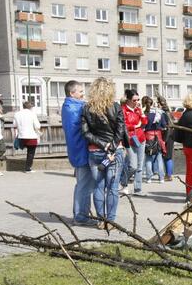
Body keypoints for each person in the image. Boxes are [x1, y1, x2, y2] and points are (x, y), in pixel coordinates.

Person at [81, 77, 126, 229]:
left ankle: (101, 220)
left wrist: (102, 145)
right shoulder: (116, 106)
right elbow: (120, 130)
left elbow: (86, 133)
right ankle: (110, 221)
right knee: (112, 187)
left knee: (98, 187)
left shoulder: (87, 108)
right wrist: (111, 147)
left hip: (95, 151)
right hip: (115, 151)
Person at [61, 81, 95, 225]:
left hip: (78, 150)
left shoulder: (70, 106)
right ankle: (81, 216)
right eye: (80, 91)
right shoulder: (74, 108)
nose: (83, 94)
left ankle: (81, 213)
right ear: (71, 93)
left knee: (83, 184)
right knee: (84, 185)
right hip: (81, 150)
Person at [121, 89, 147, 196]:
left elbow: (145, 123)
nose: (137, 102)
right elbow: (122, 125)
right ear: (128, 99)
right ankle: (123, 182)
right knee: (132, 165)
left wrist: (142, 113)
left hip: (141, 138)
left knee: (140, 166)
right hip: (129, 139)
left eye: (138, 99)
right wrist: (134, 126)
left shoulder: (138, 110)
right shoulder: (123, 110)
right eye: (134, 100)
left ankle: (138, 189)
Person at [142, 96, 167, 184]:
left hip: (148, 136)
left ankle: (149, 178)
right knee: (159, 158)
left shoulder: (144, 113)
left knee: (148, 157)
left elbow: (143, 126)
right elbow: (164, 125)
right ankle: (161, 178)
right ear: (152, 103)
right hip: (158, 135)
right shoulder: (159, 112)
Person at [13, 101, 42, 173]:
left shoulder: (17, 114)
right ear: (30, 107)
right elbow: (37, 126)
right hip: (31, 136)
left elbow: (14, 125)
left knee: (26, 151)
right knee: (31, 153)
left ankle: (27, 167)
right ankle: (27, 168)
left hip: (21, 136)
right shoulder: (32, 114)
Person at [156, 95, 175, 181]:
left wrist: (164, 140)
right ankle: (169, 174)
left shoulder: (163, 113)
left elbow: (166, 127)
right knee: (169, 156)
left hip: (166, 136)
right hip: (171, 136)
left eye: (157, 103)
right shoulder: (169, 112)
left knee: (166, 156)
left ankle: (169, 175)